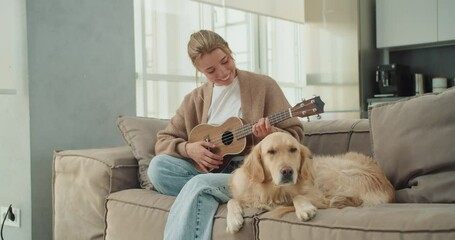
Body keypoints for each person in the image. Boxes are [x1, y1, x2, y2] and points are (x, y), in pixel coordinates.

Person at [147, 29, 304, 240]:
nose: (222, 73)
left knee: (198, 184)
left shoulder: (263, 85)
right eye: (211, 70)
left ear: (230, 51)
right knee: (157, 168)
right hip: (207, 172)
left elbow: (295, 134)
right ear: (199, 71)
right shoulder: (195, 99)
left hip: (249, 173)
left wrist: (269, 134)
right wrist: (189, 149)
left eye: (225, 61)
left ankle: (208, 189)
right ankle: (212, 190)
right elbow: (163, 140)